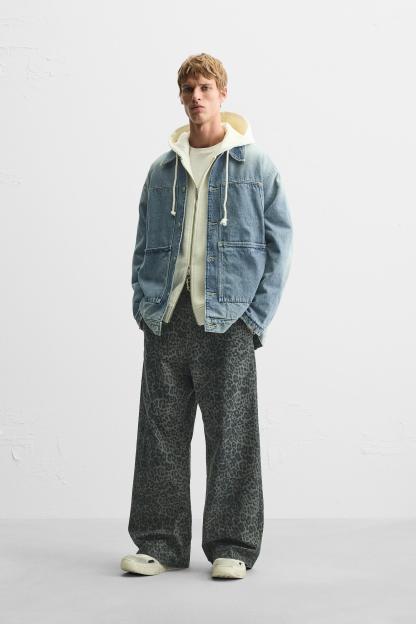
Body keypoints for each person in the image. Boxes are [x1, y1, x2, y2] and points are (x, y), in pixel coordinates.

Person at [120, 52, 293, 580]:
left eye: (205, 88)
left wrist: (254, 318)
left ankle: (232, 546)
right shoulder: (162, 169)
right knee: (160, 436)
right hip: (168, 316)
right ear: (180, 97)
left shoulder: (255, 166)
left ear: (222, 94)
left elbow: (280, 246)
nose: (196, 97)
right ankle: (159, 544)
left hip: (229, 317)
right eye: (189, 89)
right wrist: (143, 305)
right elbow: (143, 243)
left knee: (232, 436)